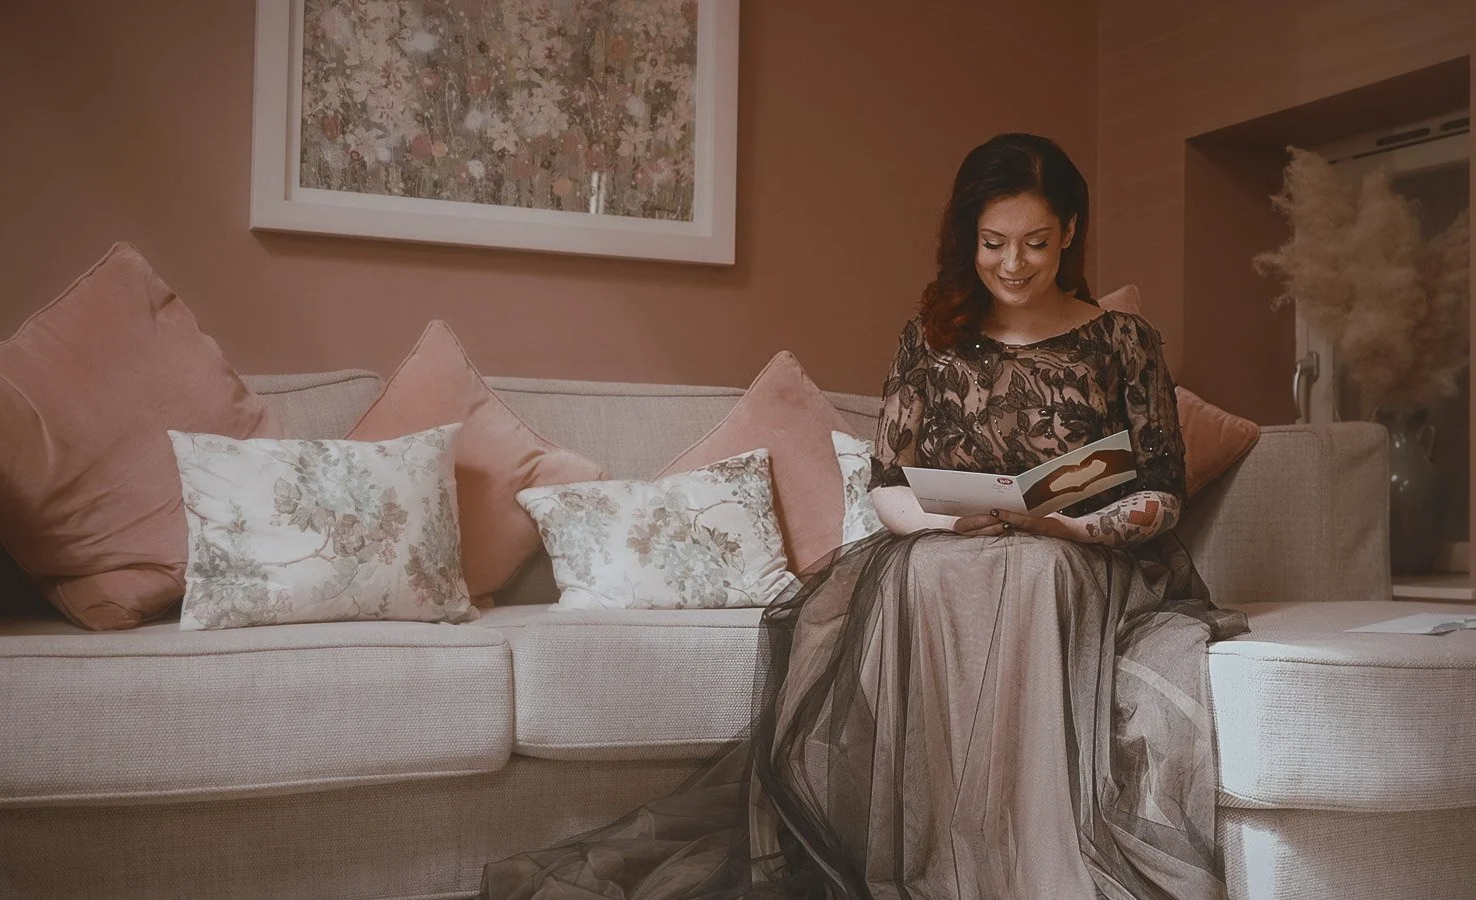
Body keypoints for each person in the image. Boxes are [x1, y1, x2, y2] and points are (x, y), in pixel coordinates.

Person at [479, 133, 1248, 899]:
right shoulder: (932, 336)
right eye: (993, 243)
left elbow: (1160, 491)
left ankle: (1029, 857)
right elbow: (889, 485)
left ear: (1071, 233)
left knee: (1035, 567)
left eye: (1035, 244)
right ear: (967, 238)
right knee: (927, 569)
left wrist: (1074, 527)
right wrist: (947, 524)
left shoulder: (1121, 341)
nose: (1012, 264)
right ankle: (941, 851)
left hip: (1081, 555)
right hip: (958, 542)